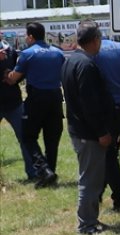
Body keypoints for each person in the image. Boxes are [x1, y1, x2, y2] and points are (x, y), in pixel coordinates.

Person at [61, 22, 115, 235]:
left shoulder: (71, 60)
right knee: (90, 180)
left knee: (90, 177)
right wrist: (101, 132)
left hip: (79, 129)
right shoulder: (86, 65)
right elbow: (90, 104)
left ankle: (90, 220)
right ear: (95, 40)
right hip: (88, 132)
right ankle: (87, 224)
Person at [5, 22, 64, 187]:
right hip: (56, 98)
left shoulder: (28, 54)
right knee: (52, 138)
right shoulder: (58, 53)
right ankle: (50, 173)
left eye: (26, 35)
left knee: (28, 136)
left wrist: (6, 73)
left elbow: (13, 78)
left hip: (37, 98)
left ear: (30, 36)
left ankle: (44, 169)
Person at [89, 25, 120, 212]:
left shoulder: (94, 54)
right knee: (108, 153)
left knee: (107, 155)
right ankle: (99, 192)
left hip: (106, 109)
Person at [0, 40, 38, 183]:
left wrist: (13, 78)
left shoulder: (10, 51)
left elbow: (20, 72)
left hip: (13, 103)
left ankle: (33, 172)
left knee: (25, 138)